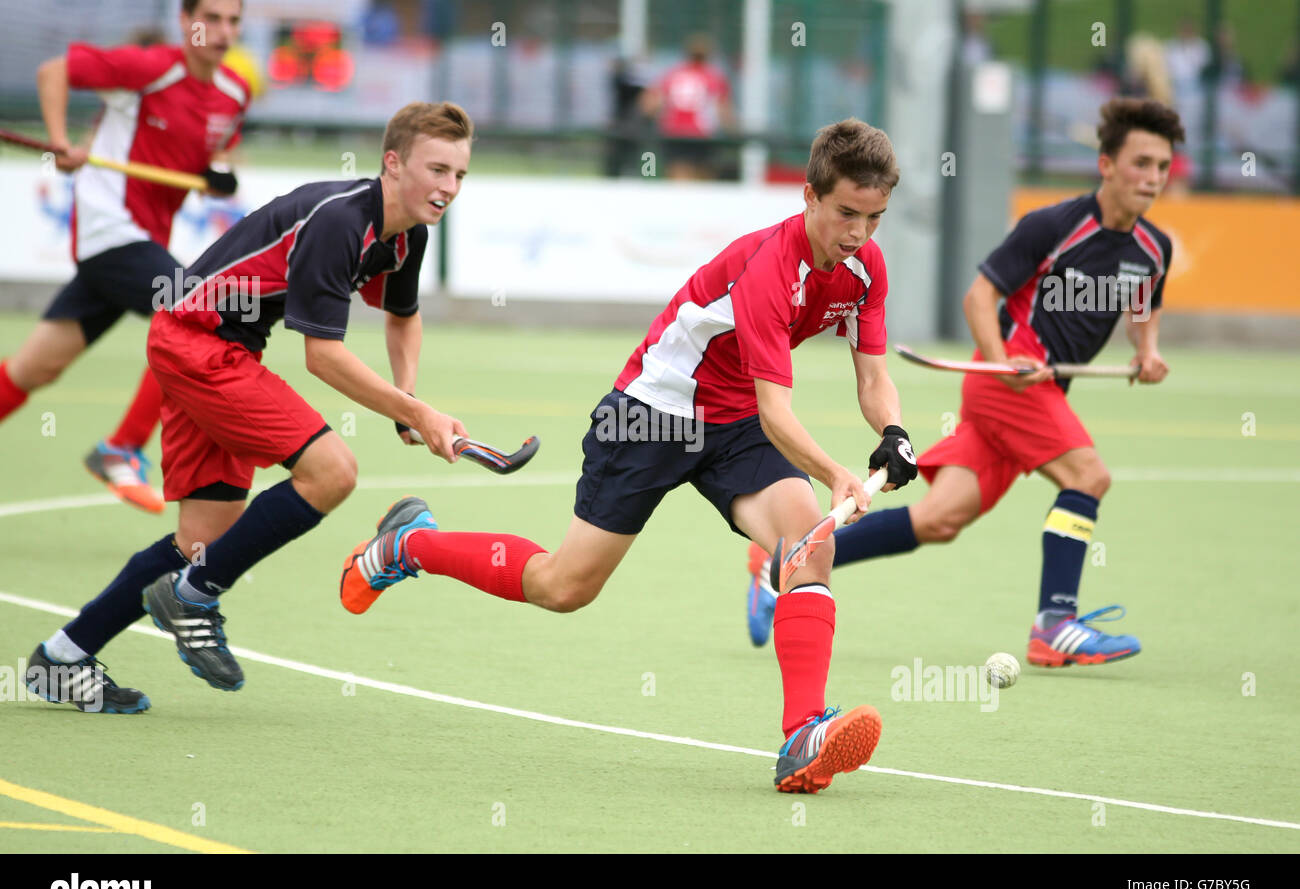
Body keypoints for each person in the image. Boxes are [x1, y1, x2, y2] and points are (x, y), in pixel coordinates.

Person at [340, 119, 918, 794]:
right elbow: (777, 411)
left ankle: (802, 736)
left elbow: (873, 378)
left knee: (808, 543)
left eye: (874, 218)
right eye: (846, 213)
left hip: (730, 424)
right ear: (810, 196)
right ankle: (411, 544)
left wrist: (894, 430)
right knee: (564, 586)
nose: (857, 233)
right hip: (650, 415)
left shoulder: (864, 266)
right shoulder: (768, 268)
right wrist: (835, 472)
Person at [22, 101, 474, 714]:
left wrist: (407, 396)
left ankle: (63, 656)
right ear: (393, 164)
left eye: (459, 175)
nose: (448, 187)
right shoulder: (341, 221)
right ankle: (194, 598)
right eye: (437, 169)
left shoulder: (407, 234)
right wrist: (419, 416)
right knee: (332, 472)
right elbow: (324, 356)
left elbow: (402, 316)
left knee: (201, 542)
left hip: (219, 346)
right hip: (197, 342)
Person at [745, 98, 1184, 670]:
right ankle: (1056, 624)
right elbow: (980, 297)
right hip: (1009, 378)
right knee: (1088, 475)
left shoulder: (1155, 248)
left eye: (1162, 166)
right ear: (1106, 164)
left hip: (1042, 391)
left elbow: (1144, 305)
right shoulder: (1054, 226)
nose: (1151, 178)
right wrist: (1005, 363)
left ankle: (786, 560)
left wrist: (1147, 353)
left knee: (937, 520)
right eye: (1140, 163)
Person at [0, 0, 248, 514]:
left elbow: (213, 152)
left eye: (232, 20)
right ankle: (122, 448)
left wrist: (218, 176)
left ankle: (120, 448)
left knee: (34, 368)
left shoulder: (234, 94)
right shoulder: (151, 68)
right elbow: (55, 71)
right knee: (197, 313)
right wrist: (62, 143)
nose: (222, 31)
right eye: (211, 19)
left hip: (141, 240)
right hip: (108, 227)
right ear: (186, 22)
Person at [640, 34, 735, 180]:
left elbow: (649, 104)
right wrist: (733, 129)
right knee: (703, 179)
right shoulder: (714, 77)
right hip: (701, 134)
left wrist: (654, 119)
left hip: (674, 132)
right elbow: (723, 110)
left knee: (679, 177)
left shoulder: (672, 74)